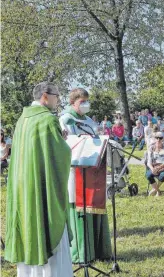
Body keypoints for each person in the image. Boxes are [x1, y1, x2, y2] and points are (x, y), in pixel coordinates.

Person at [6, 82, 73, 276]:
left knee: (28, 223)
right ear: (45, 96)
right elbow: (59, 156)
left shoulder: (22, 119)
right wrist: (64, 142)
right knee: (45, 222)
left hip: (22, 185)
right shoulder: (47, 120)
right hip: (40, 185)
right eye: (56, 95)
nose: (58, 99)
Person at [59, 88, 112, 263]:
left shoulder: (88, 120)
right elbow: (67, 143)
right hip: (76, 171)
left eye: (87, 101)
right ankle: (81, 252)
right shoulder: (65, 119)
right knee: (79, 204)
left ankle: (98, 249)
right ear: (73, 102)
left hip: (94, 171)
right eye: (82, 102)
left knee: (95, 204)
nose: (85, 104)